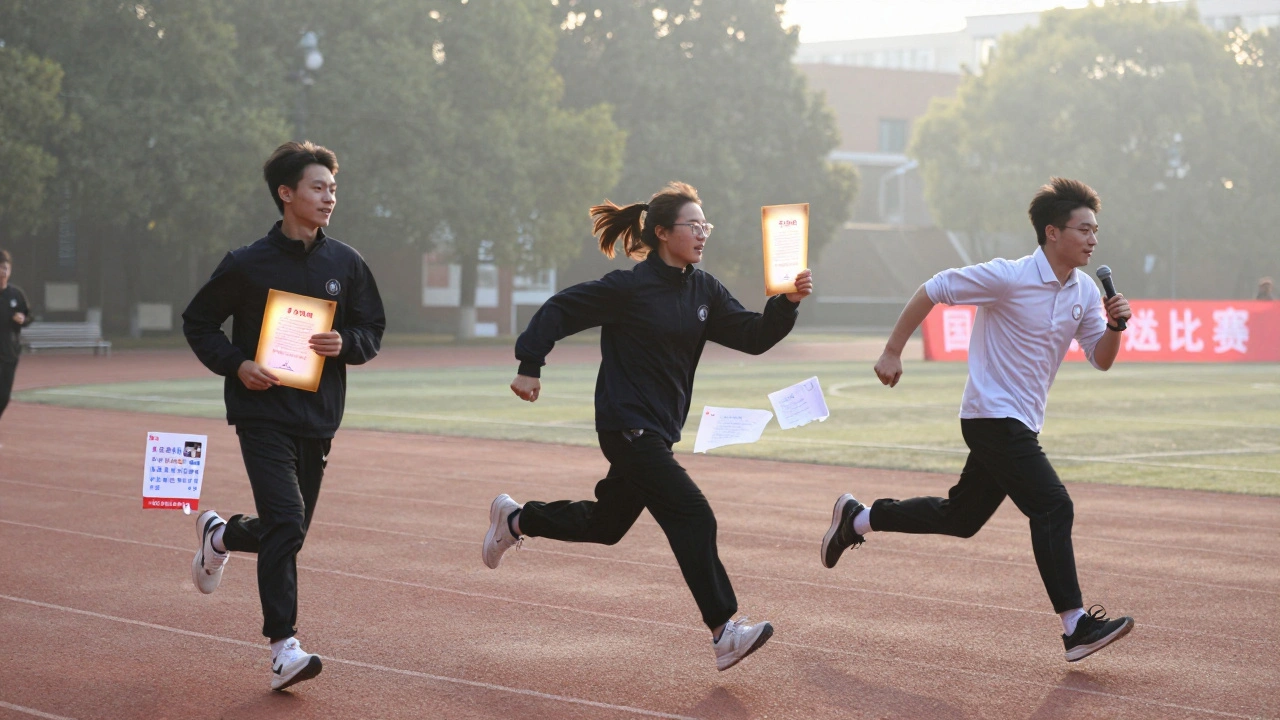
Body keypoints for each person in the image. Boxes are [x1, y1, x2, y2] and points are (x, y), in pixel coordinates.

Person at [483, 181, 813, 671]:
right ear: (662, 233)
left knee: (607, 525)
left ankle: (515, 519)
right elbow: (561, 308)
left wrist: (785, 303)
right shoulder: (629, 287)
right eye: (693, 225)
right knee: (694, 515)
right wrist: (530, 362)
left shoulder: (703, 289)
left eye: (707, 225)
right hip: (625, 425)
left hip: (657, 431)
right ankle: (725, 631)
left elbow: (753, 335)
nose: (702, 233)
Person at [821, 177, 1135, 663]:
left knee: (962, 518)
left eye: (1096, 230)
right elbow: (934, 288)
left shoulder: (1085, 290)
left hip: (1021, 422)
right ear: (1053, 232)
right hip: (991, 415)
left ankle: (857, 519)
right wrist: (891, 350)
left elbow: (1101, 358)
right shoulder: (1008, 276)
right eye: (1084, 229)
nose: (1093, 239)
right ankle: (1075, 626)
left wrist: (1114, 326)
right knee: (1053, 505)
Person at [182, 141, 385, 691]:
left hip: (318, 417)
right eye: (318, 188)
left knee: (285, 530)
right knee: (288, 525)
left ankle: (220, 536)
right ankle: (283, 648)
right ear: (286, 193)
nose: (329, 197)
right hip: (260, 413)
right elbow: (199, 323)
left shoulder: (346, 263)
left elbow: (373, 330)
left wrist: (348, 341)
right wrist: (237, 364)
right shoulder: (247, 264)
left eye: (333, 189)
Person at [0, 249, 34, 424]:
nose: (3, 272)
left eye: (6, 268)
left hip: (10, 354)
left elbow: (29, 316)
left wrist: (23, 319)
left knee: (4, 396)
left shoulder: (16, 295)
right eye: (0, 268)